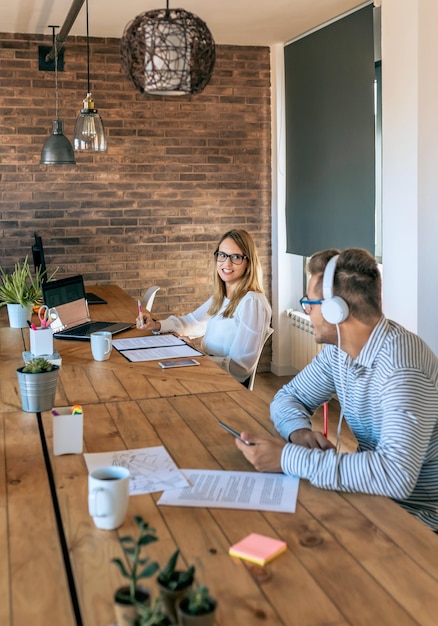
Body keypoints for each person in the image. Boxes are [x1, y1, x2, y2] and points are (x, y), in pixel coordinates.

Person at [235, 248, 438, 531]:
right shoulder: (340, 353)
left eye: (310, 302)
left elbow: (395, 475)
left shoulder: (403, 368)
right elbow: (288, 397)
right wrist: (299, 432)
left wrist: (287, 457)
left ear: (336, 309)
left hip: (417, 520)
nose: (306, 310)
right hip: (373, 498)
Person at [136, 229, 272, 385]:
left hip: (223, 384)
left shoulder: (252, 302)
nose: (226, 263)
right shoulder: (222, 298)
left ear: (249, 262)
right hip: (206, 372)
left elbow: (241, 368)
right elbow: (191, 322)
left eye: (236, 257)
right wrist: (156, 324)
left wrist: (196, 355)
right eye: (222, 255)